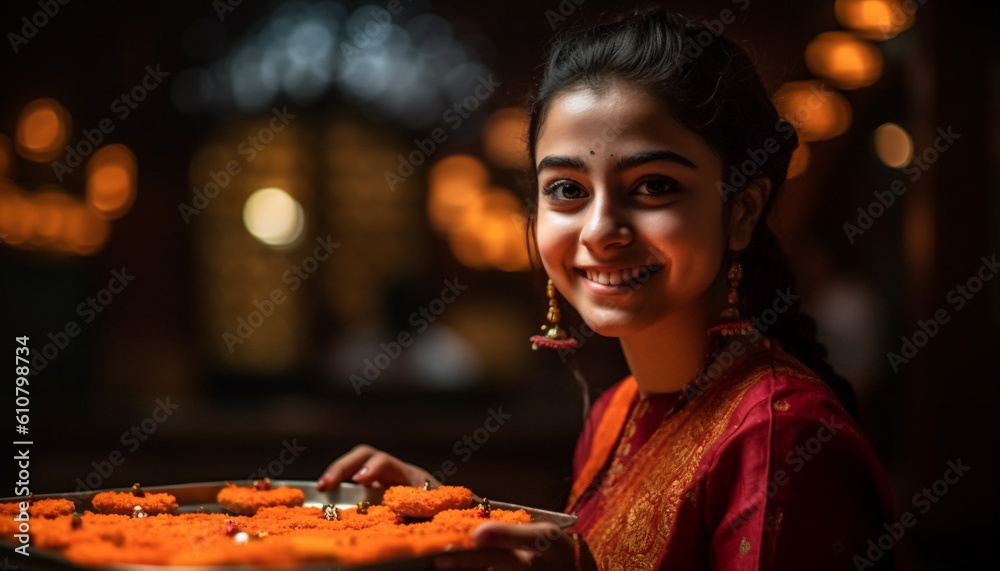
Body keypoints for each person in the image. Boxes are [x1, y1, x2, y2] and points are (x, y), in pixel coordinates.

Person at [319, 8, 903, 570]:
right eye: (568, 190)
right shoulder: (617, 412)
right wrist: (452, 518)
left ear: (742, 211)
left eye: (652, 186)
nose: (599, 232)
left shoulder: (779, 435)